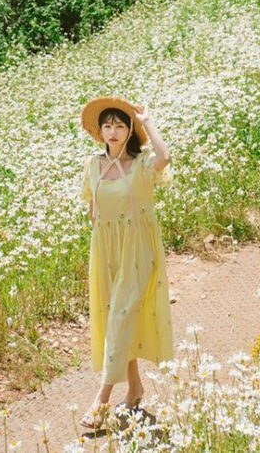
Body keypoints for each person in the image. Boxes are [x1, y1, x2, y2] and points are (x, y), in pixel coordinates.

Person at [78, 95, 173, 435]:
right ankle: (134, 390)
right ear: (100, 131)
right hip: (105, 252)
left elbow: (165, 157)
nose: (113, 131)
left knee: (120, 317)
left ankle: (101, 399)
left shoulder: (142, 163)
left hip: (138, 250)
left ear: (129, 130)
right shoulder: (92, 166)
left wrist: (147, 119)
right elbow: (94, 210)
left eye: (120, 125)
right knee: (117, 317)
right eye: (107, 125)